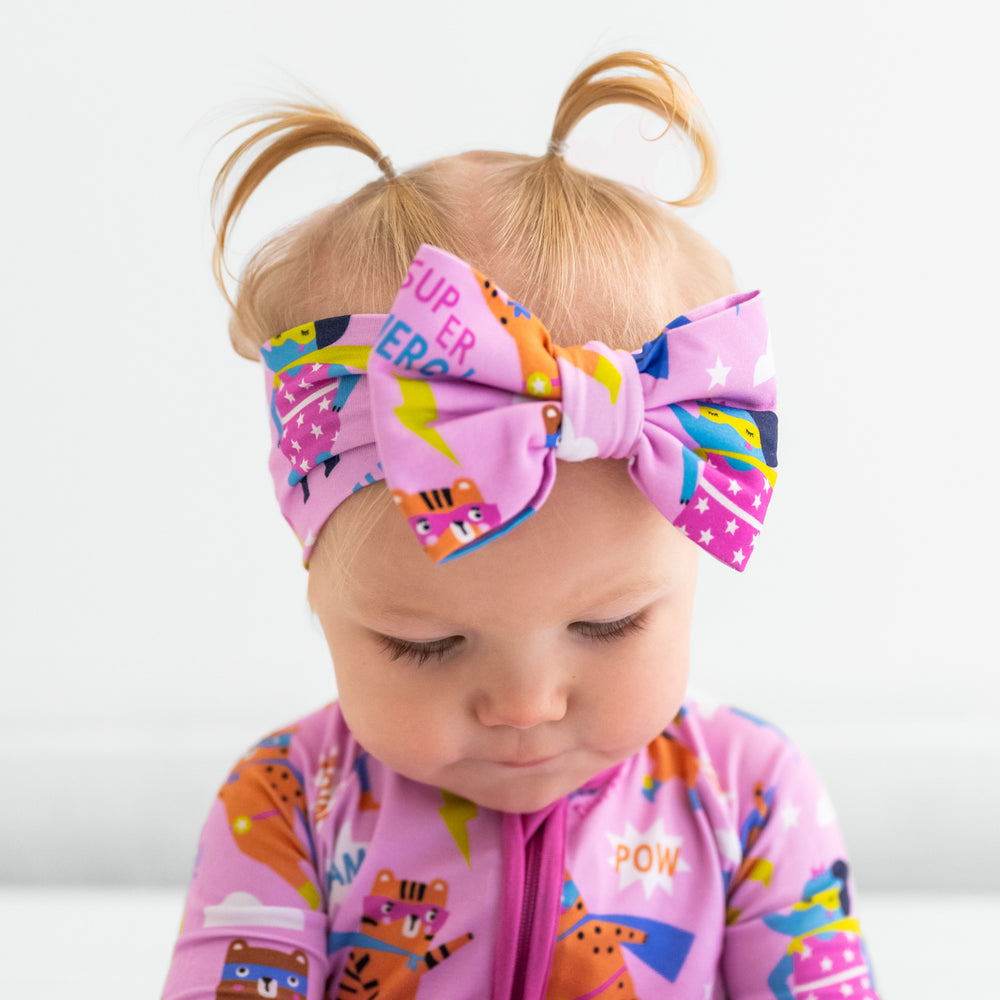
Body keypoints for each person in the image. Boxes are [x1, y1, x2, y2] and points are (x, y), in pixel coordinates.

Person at [163, 51, 880, 1000]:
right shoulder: (289, 807)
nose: (526, 704)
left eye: (608, 625)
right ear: (316, 585)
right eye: (426, 643)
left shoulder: (751, 798)